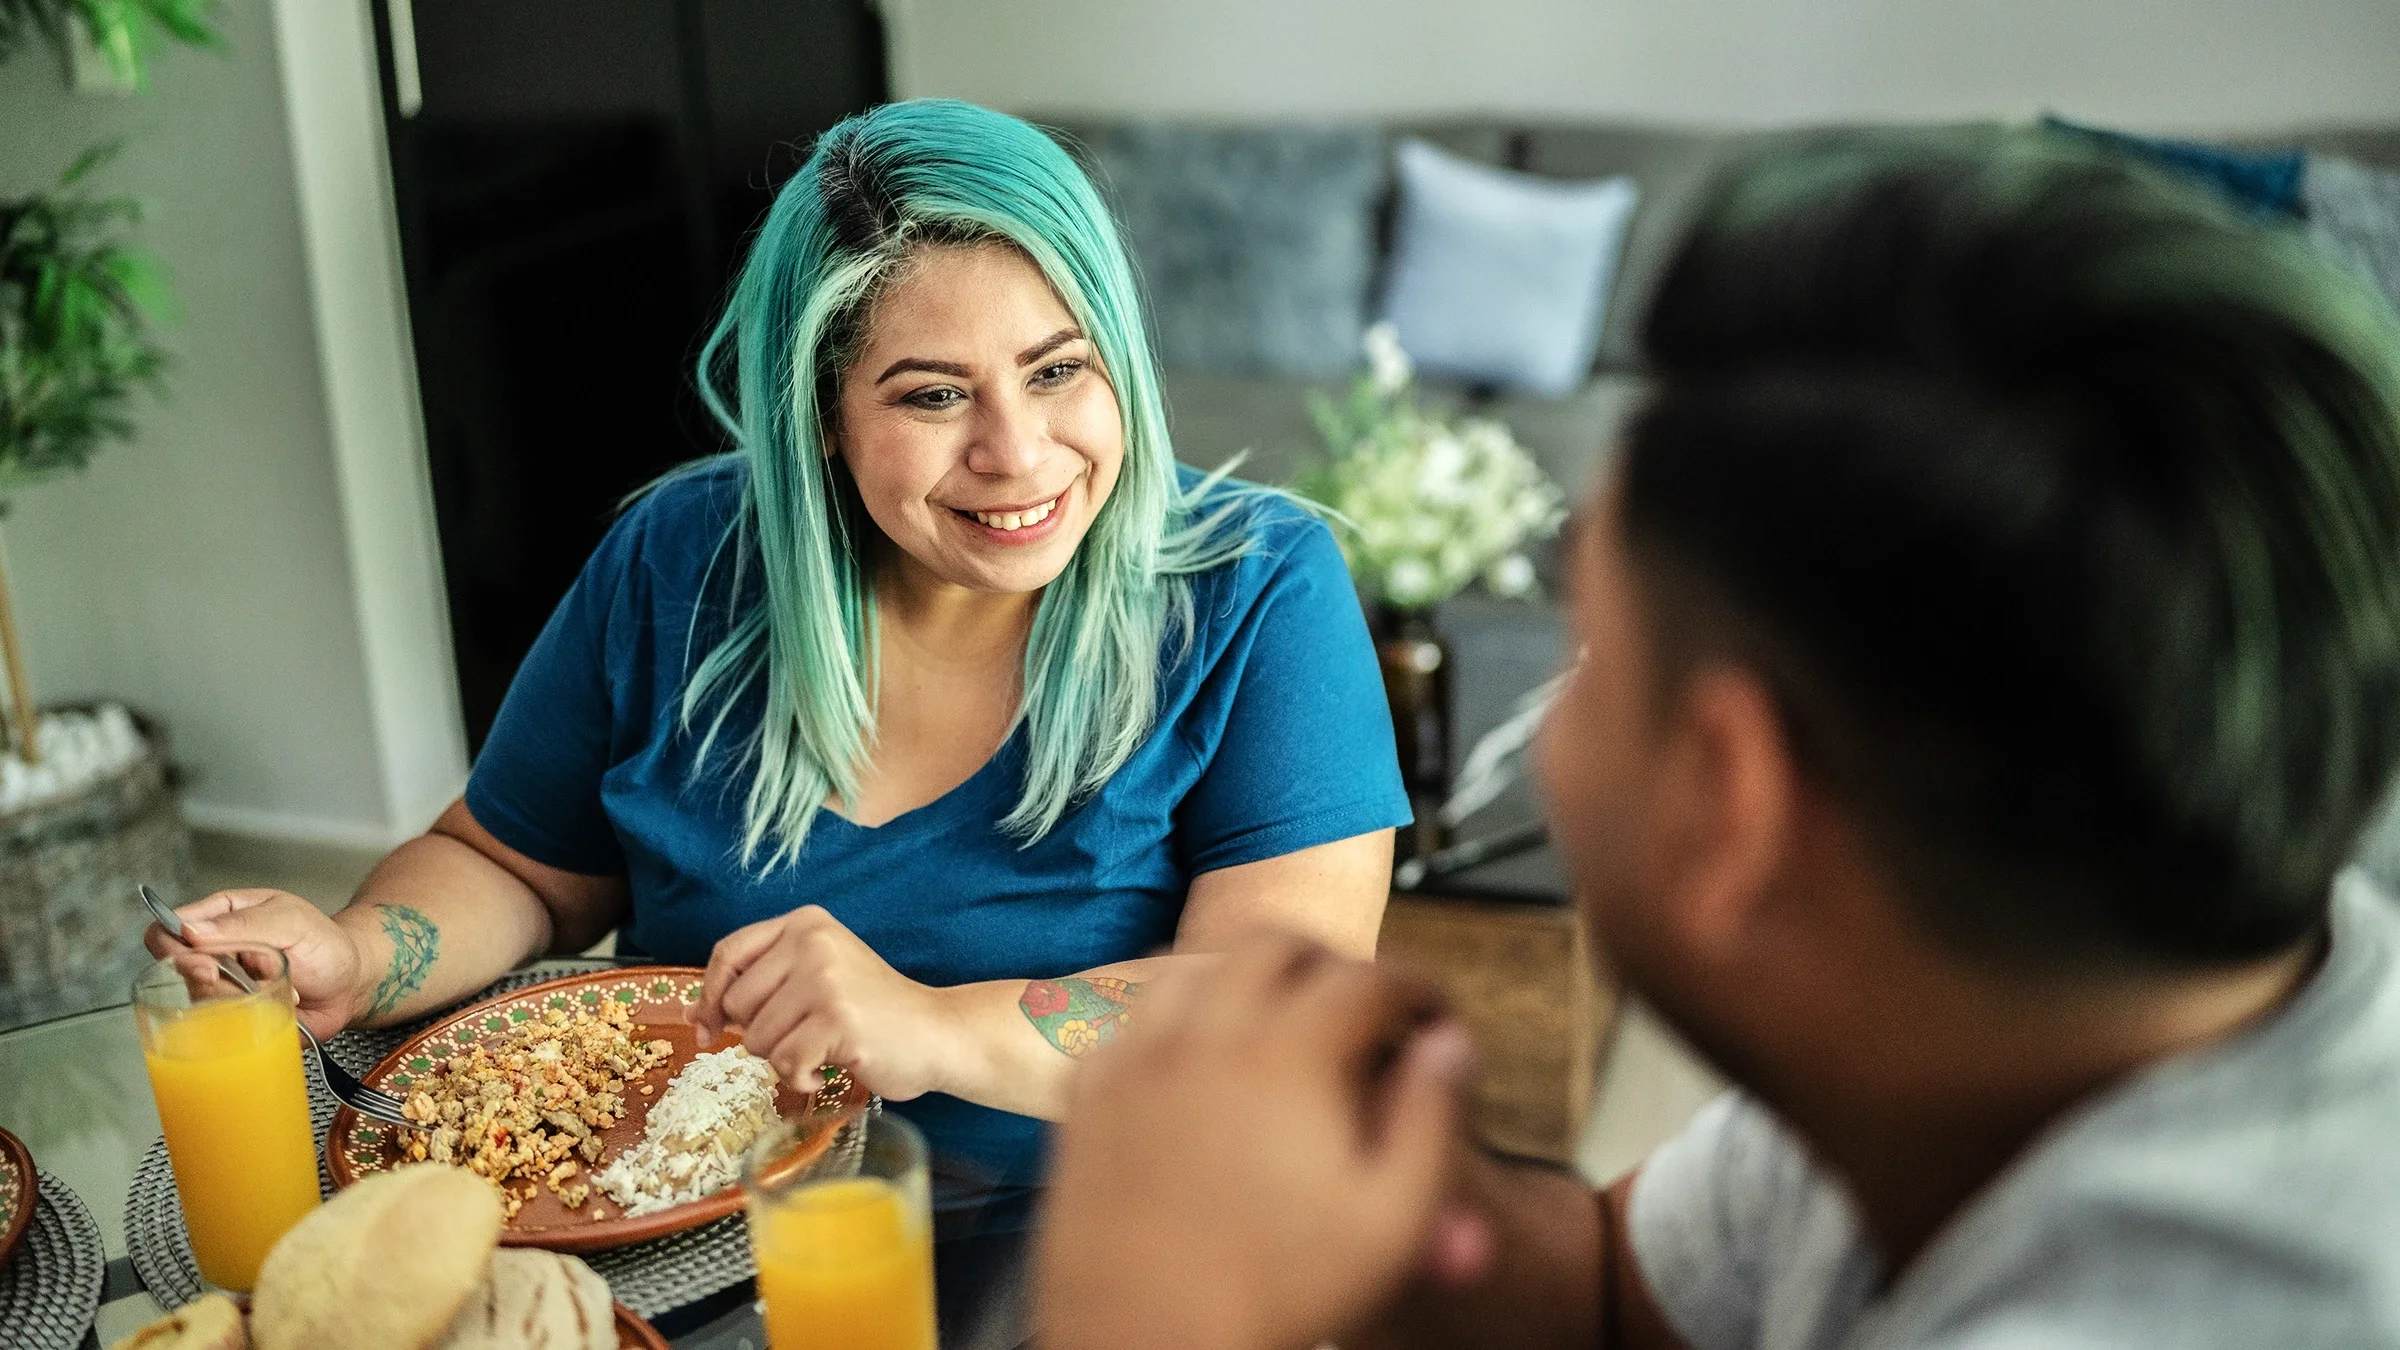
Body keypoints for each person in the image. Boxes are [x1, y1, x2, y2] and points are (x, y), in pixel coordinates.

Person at [1036, 135, 2400, 1350]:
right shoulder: (1983, 1018)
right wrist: (1433, 1206)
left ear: (1729, 799)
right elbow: (1613, 1294)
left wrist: (1152, 1311)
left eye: (1585, 648)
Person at [146, 99, 1409, 1336]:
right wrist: (359, 953)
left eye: (1058, 370)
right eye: (932, 396)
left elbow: (1275, 1025)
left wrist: (931, 1028)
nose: (1019, 453)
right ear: (822, 417)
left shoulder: (1261, 591)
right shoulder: (675, 559)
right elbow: (513, 865)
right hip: (675, 1248)